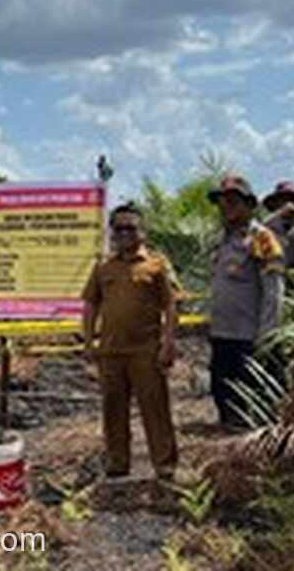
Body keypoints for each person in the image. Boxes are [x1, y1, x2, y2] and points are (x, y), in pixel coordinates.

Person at [81, 203, 178, 480]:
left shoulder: (156, 266)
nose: (124, 233)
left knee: (155, 408)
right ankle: (117, 462)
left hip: (146, 352)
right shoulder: (103, 268)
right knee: (113, 409)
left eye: (130, 227)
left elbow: (170, 307)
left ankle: (165, 464)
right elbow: (90, 306)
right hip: (110, 352)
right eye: (118, 228)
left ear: (142, 232)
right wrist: (88, 342)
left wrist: (168, 343)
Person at [207, 174, 286, 429]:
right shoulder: (221, 240)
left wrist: (268, 334)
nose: (227, 206)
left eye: (234, 201)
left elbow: (274, 290)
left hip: (249, 336)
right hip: (222, 333)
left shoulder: (262, 238)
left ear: (250, 205)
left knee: (253, 401)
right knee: (223, 394)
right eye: (223, 201)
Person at [261, 180, 294, 244]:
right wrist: (280, 213)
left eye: (292, 199)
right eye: (284, 200)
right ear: (275, 203)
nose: (289, 203)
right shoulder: (270, 223)